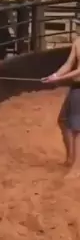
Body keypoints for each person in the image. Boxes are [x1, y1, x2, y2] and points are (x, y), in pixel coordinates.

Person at [43, 35, 80, 170]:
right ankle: (71, 159)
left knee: (76, 126)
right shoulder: (78, 41)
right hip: (76, 86)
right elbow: (69, 64)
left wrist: (60, 79)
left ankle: (76, 167)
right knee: (64, 120)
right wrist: (54, 76)